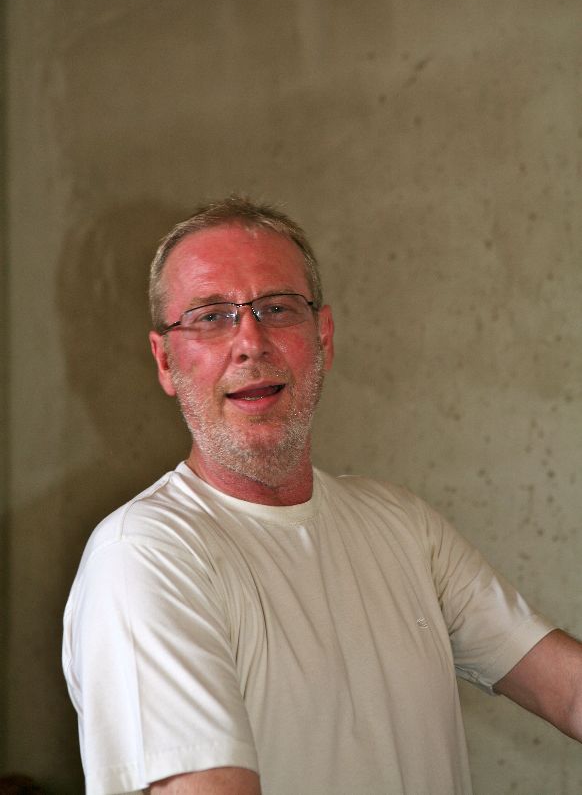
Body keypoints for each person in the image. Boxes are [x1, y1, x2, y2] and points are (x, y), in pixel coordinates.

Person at [63, 196, 582, 795]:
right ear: (165, 361)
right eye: (211, 316)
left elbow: (567, 691)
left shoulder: (401, 525)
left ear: (324, 337)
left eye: (276, 308)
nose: (250, 341)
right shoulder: (144, 557)